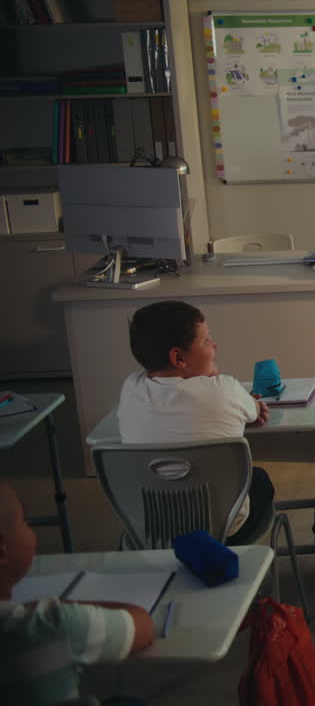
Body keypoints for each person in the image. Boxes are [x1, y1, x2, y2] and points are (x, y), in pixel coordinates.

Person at [117, 300, 272, 544]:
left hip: (153, 529)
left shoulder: (130, 388)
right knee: (259, 479)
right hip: (225, 530)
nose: (215, 346)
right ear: (178, 357)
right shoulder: (226, 389)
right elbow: (255, 412)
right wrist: (247, 405)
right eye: (206, 341)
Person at [0, 482, 155, 704]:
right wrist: (62, 606)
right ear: (1, 550)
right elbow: (142, 627)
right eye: (24, 521)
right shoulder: (53, 624)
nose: (29, 527)